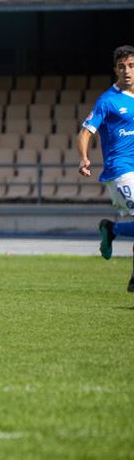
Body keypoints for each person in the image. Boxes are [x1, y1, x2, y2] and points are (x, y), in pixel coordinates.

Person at [82, 44, 134, 293]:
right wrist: (84, 157)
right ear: (115, 70)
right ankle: (111, 229)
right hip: (120, 170)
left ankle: (112, 231)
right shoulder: (107, 101)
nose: (127, 71)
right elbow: (85, 132)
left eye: (131, 66)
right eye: (122, 67)